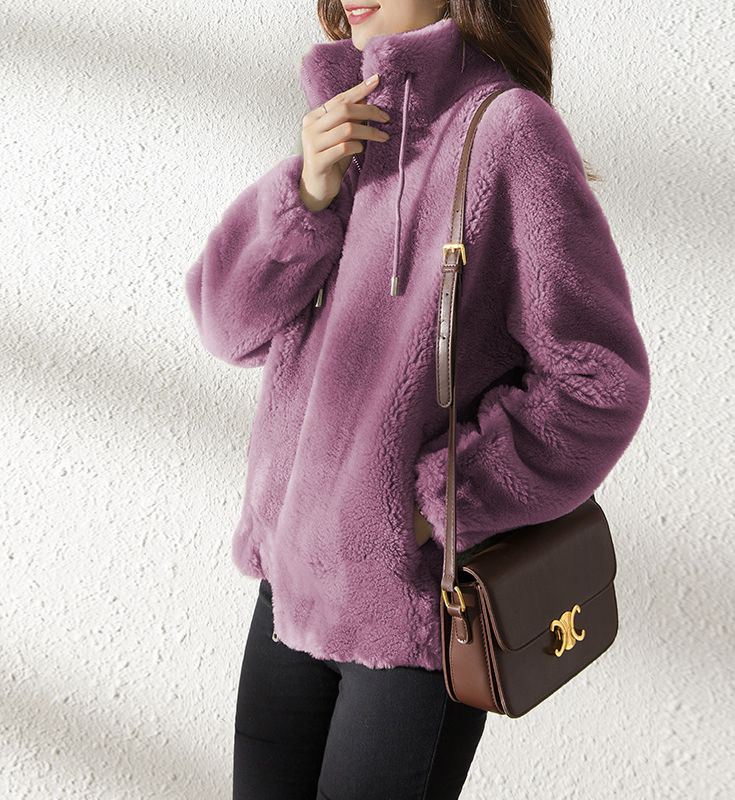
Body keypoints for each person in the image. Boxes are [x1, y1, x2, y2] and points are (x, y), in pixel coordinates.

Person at [184, 0, 651, 797]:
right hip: (288, 596)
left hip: (410, 619)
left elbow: (597, 383)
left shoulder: (509, 132)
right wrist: (306, 192)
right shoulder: (348, 124)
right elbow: (227, 327)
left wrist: (443, 502)